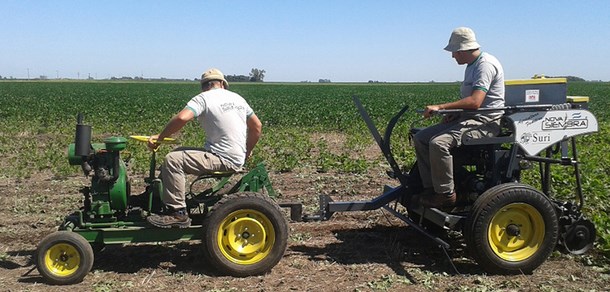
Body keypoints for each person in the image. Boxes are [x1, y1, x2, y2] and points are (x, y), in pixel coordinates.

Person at [146, 68, 262, 228]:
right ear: (222, 84)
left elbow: (182, 118)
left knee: (172, 160)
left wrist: (159, 138)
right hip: (233, 156)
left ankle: (177, 212)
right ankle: (161, 197)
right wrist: (247, 151)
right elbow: (257, 126)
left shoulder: (203, 98)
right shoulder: (238, 98)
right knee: (177, 153)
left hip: (222, 158)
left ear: (204, 86)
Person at [413, 27, 505, 208]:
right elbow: (471, 103)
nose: (453, 56)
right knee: (421, 138)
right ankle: (430, 189)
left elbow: (475, 102)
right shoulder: (472, 66)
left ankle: (446, 194)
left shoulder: (485, 65)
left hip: (486, 122)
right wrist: (456, 113)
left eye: (454, 52)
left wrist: (441, 107)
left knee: (439, 143)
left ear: (463, 50)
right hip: (469, 118)